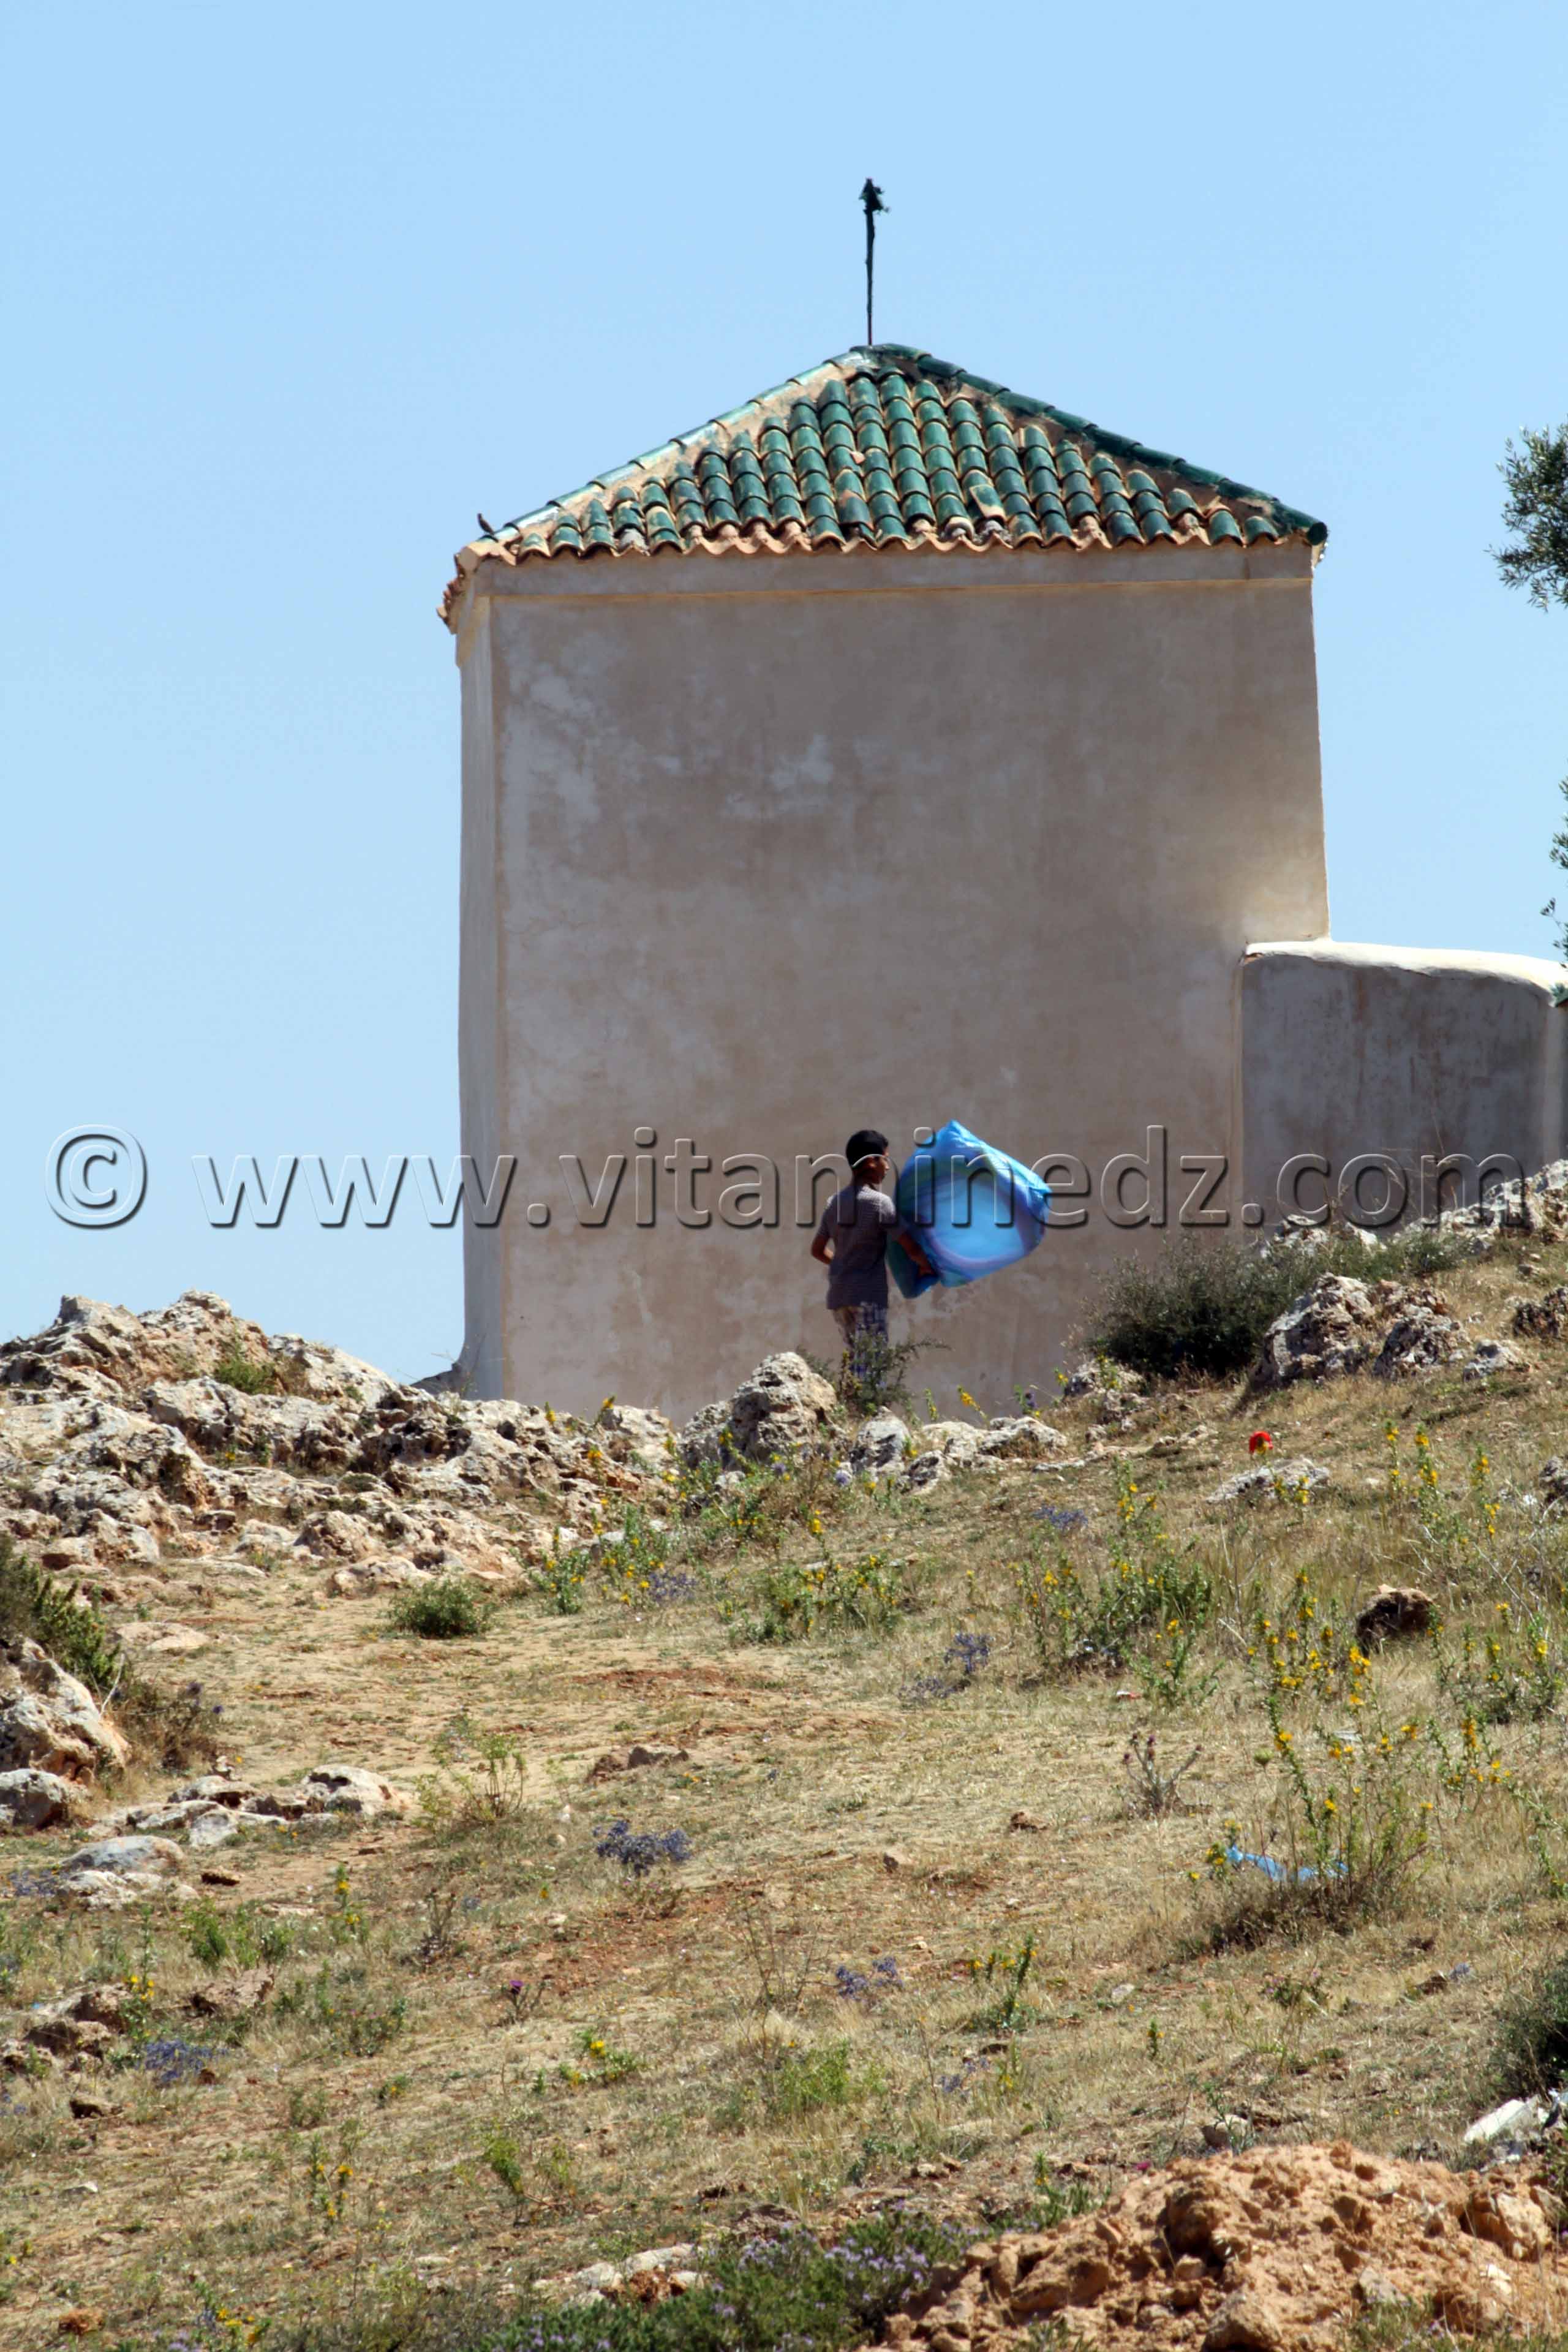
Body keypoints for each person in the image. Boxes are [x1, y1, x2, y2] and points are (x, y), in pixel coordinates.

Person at [810, 1128, 935, 1388]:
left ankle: (854, 1408)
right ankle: (869, 1410)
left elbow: (817, 1249)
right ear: (870, 1162)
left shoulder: (834, 1203)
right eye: (884, 1159)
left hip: (840, 1297)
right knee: (872, 1365)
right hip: (868, 1295)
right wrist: (927, 1267)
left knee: (857, 1361)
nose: (887, 1167)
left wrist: (842, 1264)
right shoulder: (879, 1204)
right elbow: (909, 1247)